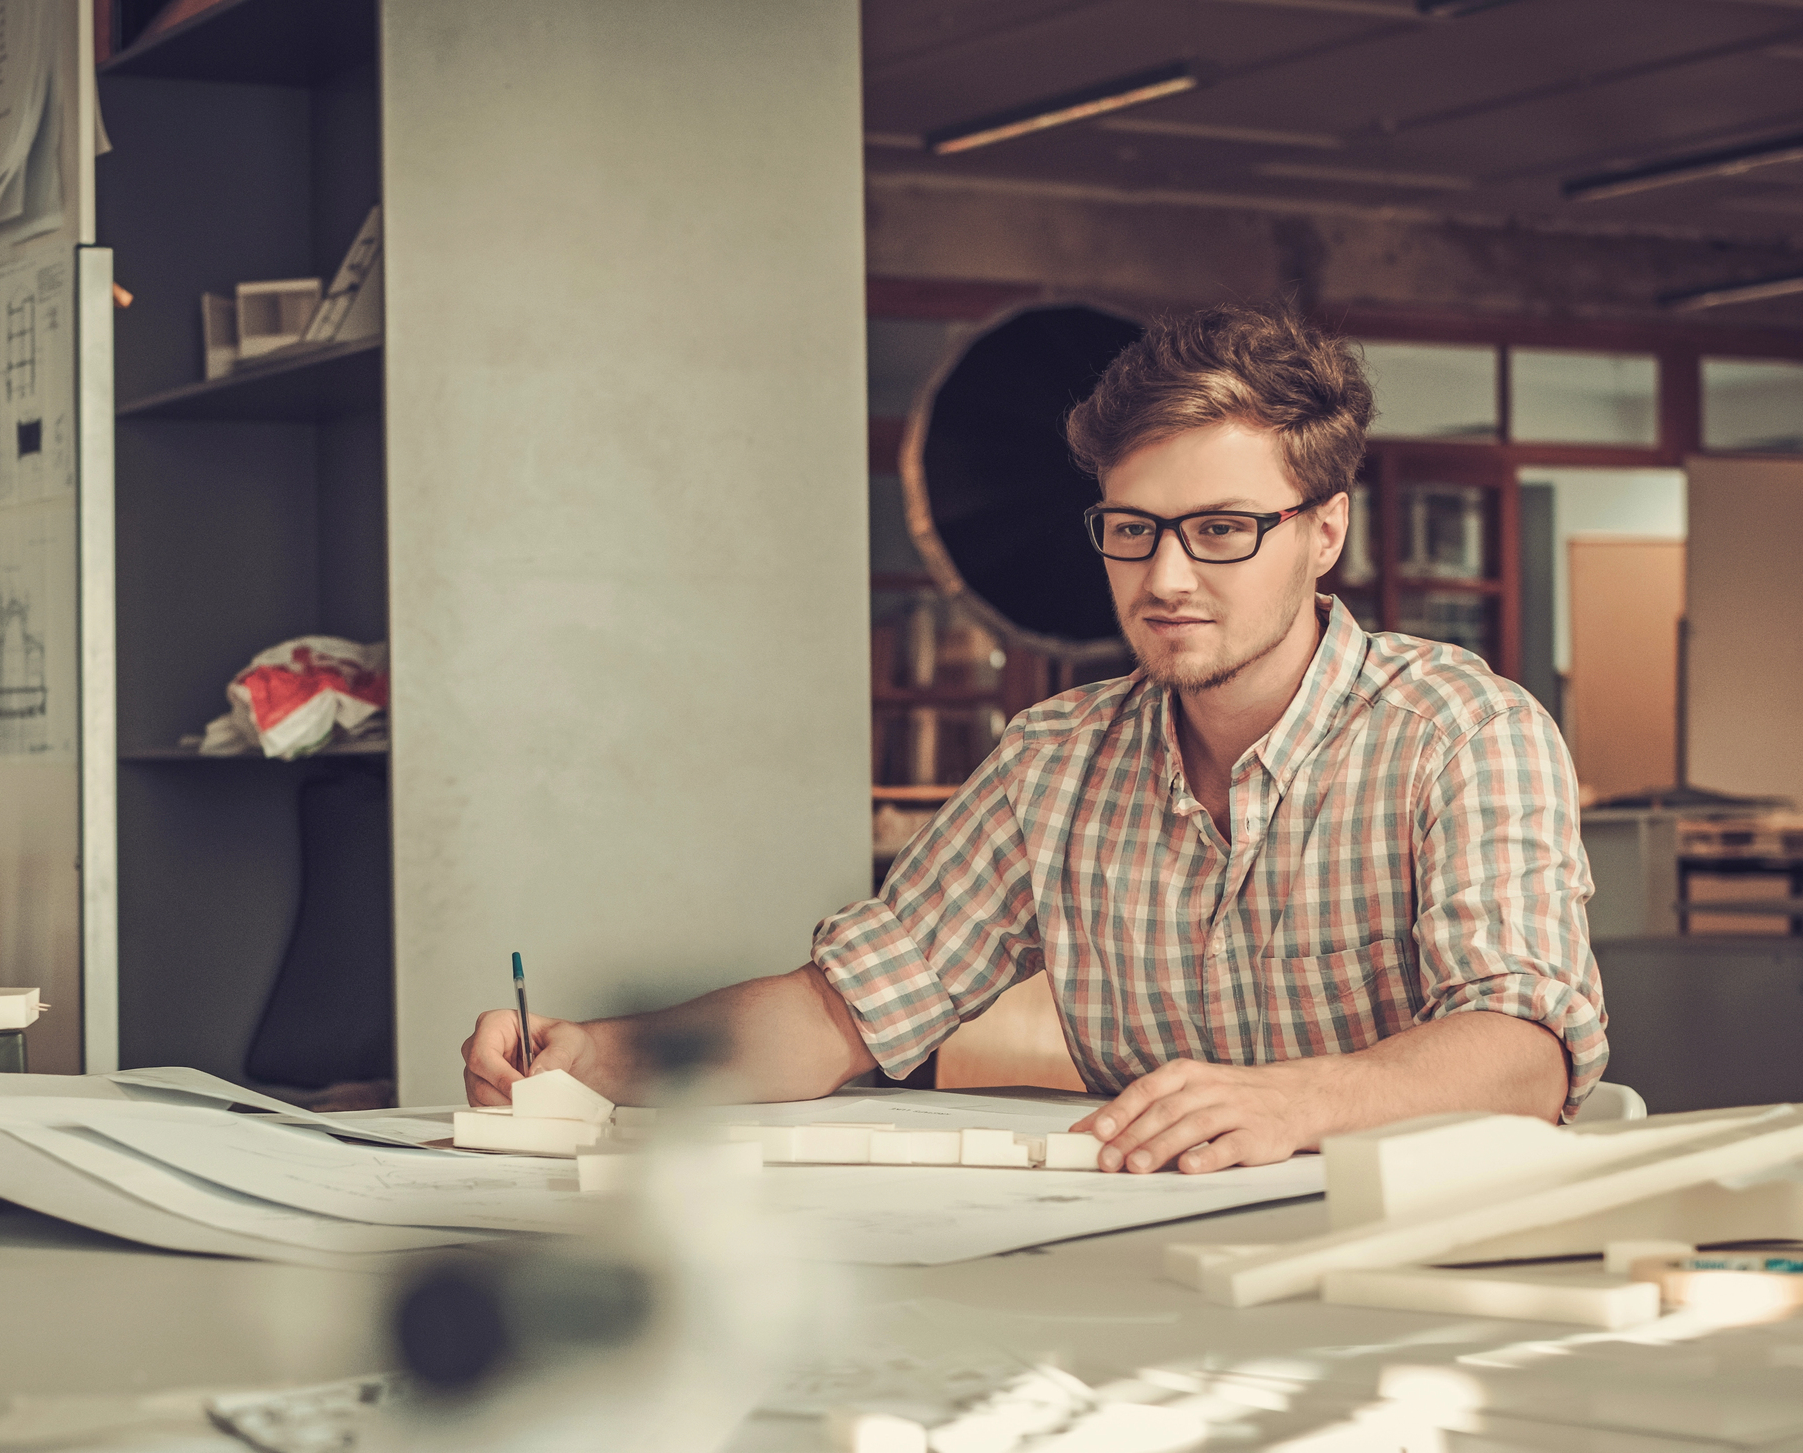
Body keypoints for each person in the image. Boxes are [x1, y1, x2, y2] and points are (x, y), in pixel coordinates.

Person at [461, 304, 1607, 1174]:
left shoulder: (1460, 733)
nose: (1163, 579)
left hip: (1409, 1259)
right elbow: (844, 1010)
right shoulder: (1054, 762)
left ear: (1322, 531)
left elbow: (1522, 1048)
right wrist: (596, 1059)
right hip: (1154, 1253)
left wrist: (1296, 1101)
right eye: (1131, 529)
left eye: (1218, 531)